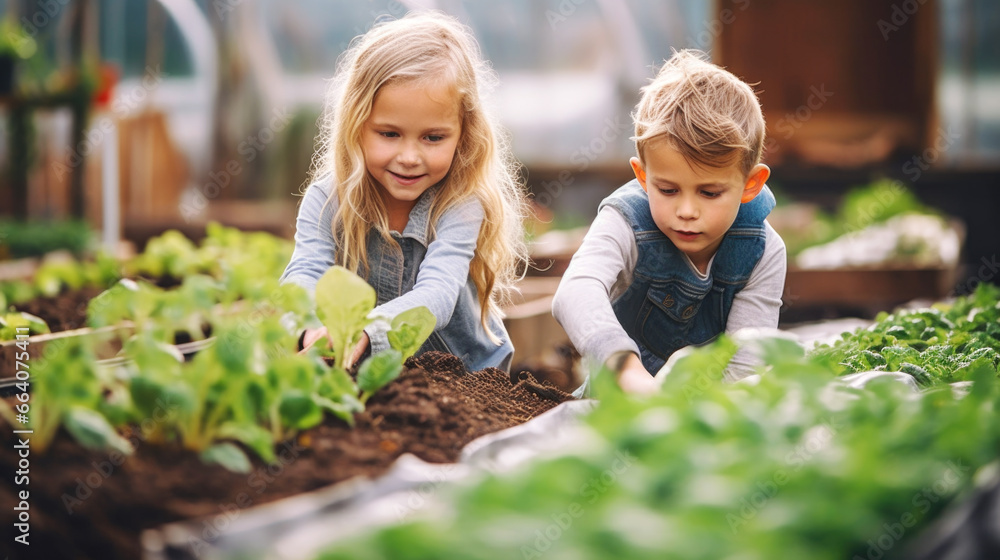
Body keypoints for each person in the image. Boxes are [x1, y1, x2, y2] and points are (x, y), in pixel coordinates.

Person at [280, 11, 528, 372]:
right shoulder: (327, 201)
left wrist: (368, 330)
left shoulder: (460, 204)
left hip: (466, 377)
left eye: (433, 137)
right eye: (389, 134)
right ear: (357, 125)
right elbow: (303, 273)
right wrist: (309, 330)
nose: (409, 157)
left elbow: (438, 293)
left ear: (464, 135)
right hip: (364, 374)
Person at [552, 50, 786, 395]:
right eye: (668, 189)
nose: (687, 210)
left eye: (709, 193)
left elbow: (746, 362)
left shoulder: (762, 251)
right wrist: (626, 371)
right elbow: (575, 291)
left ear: (750, 184)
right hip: (614, 403)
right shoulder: (625, 222)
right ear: (643, 177)